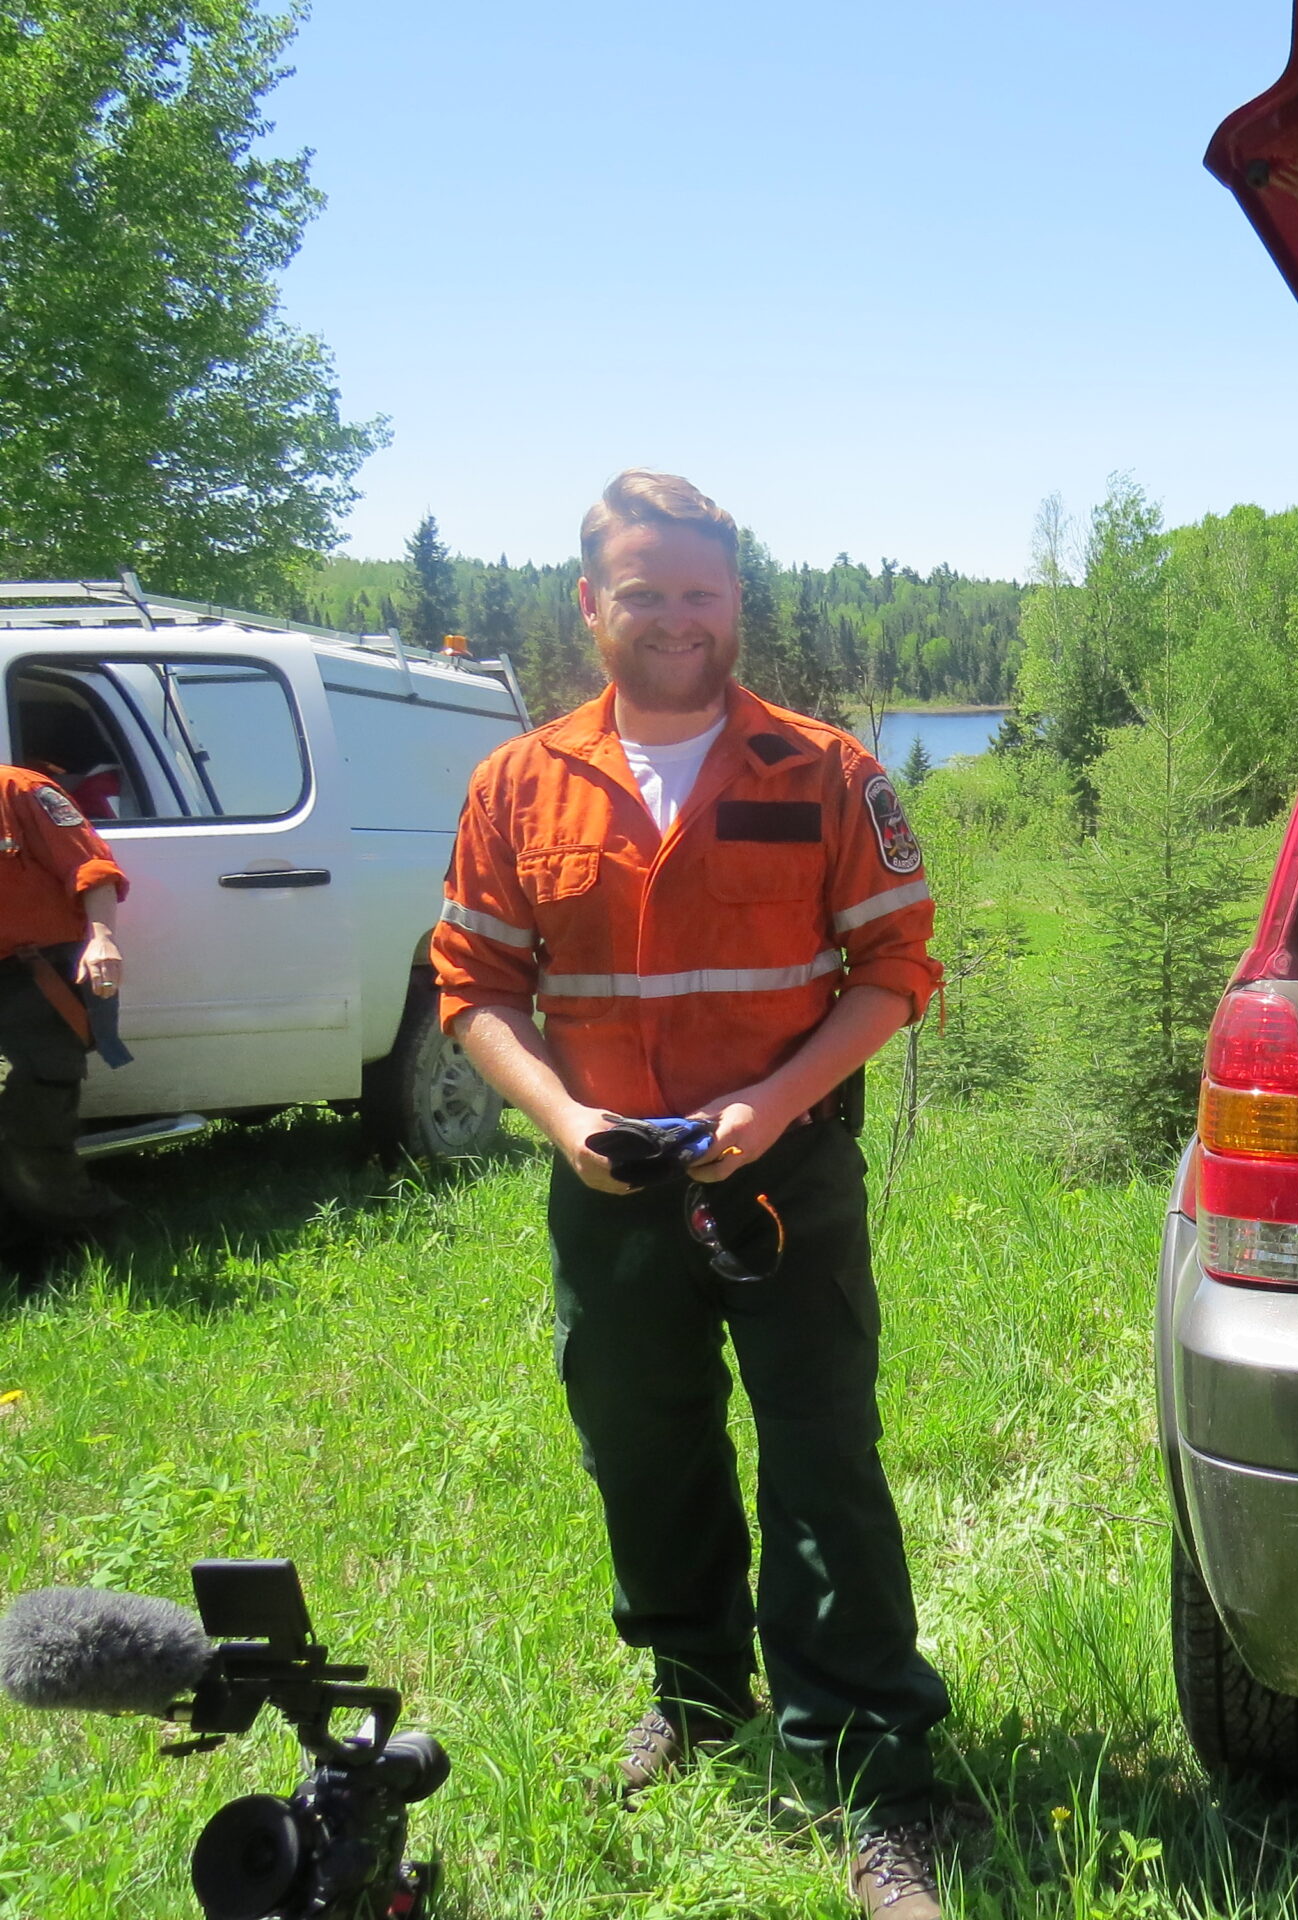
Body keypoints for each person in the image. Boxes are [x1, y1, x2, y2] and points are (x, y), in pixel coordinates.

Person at [433, 470, 953, 1917]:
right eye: (646, 590)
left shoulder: (826, 770)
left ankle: (873, 1768)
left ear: (738, 605)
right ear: (591, 604)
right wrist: (564, 1121)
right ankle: (698, 1688)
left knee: (822, 1451)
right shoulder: (518, 785)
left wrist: (771, 1105)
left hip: (784, 1168)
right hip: (606, 1176)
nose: (677, 618)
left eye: (703, 592)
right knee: (642, 1444)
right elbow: (472, 989)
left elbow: (897, 971)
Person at [0, 763, 127, 1228]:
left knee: (29, 1111)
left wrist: (102, 939)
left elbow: (93, 869)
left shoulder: (22, 790)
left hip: (30, 975)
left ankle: (81, 1242)